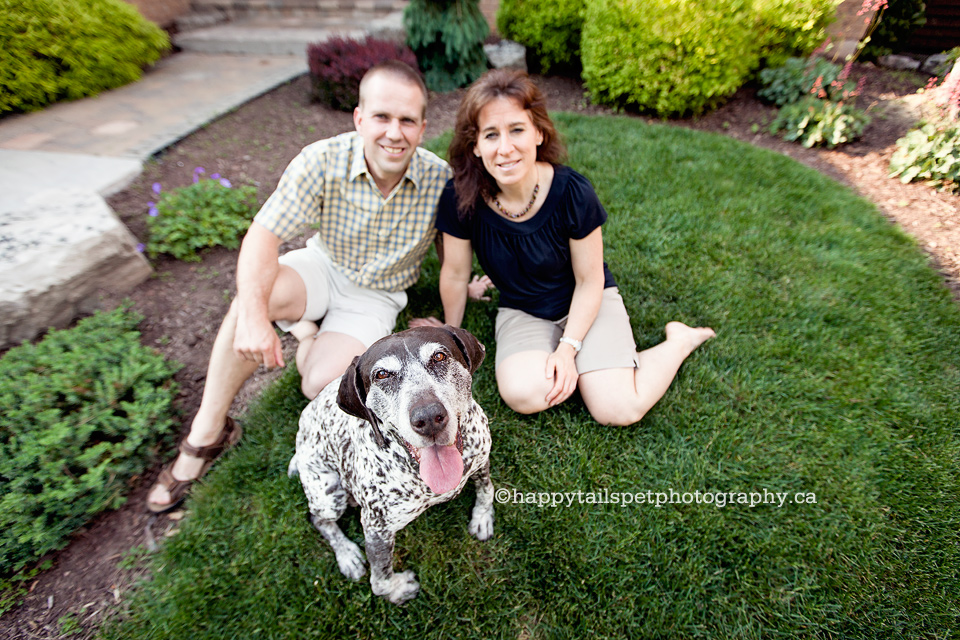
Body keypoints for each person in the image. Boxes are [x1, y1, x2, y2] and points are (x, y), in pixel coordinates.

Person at [147, 61, 451, 513]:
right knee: (256, 297)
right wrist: (252, 313)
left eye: (407, 120)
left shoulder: (438, 178)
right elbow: (263, 234)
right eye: (382, 117)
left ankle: (305, 335)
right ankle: (207, 433)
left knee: (321, 383)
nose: (394, 132)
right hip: (321, 266)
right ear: (359, 119)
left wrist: (463, 293)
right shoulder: (321, 160)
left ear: (423, 128)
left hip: (378, 295)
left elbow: (453, 249)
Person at [411, 69, 715, 426]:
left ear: (539, 133)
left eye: (517, 130)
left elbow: (589, 281)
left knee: (617, 409)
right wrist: (450, 335)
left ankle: (678, 341)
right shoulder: (460, 197)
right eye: (491, 134)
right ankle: (590, 367)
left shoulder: (572, 192)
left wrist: (568, 350)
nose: (505, 148)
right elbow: (456, 272)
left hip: (586, 300)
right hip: (522, 309)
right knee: (523, 393)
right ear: (475, 145)